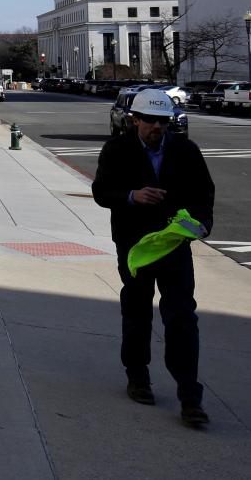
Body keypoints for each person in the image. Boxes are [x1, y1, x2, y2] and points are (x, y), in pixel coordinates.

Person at [91, 87, 215, 425]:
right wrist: (133, 196)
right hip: (134, 246)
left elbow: (204, 193)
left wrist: (203, 224)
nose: (156, 127)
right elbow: (101, 191)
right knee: (137, 310)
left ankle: (190, 395)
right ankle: (137, 375)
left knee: (182, 317)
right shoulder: (117, 149)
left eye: (162, 121)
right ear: (135, 120)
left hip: (174, 246)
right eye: (149, 121)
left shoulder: (186, 150)